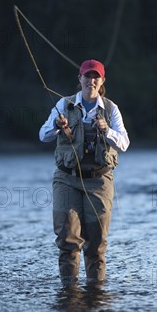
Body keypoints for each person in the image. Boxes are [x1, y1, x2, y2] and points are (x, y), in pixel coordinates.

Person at [39, 59, 130, 285]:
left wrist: (107, 130)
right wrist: (57, 126)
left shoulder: (111, 109)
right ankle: (69, 295)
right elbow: (43, 135)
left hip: (99, 180)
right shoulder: (63, 104)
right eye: (87, 76)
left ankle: (96, 297)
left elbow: (124, 143)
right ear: (79, 80)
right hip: (66, 179)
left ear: (102, 81)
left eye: (95, 77)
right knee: (67, 239)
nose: (91, 81)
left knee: (96, 243)